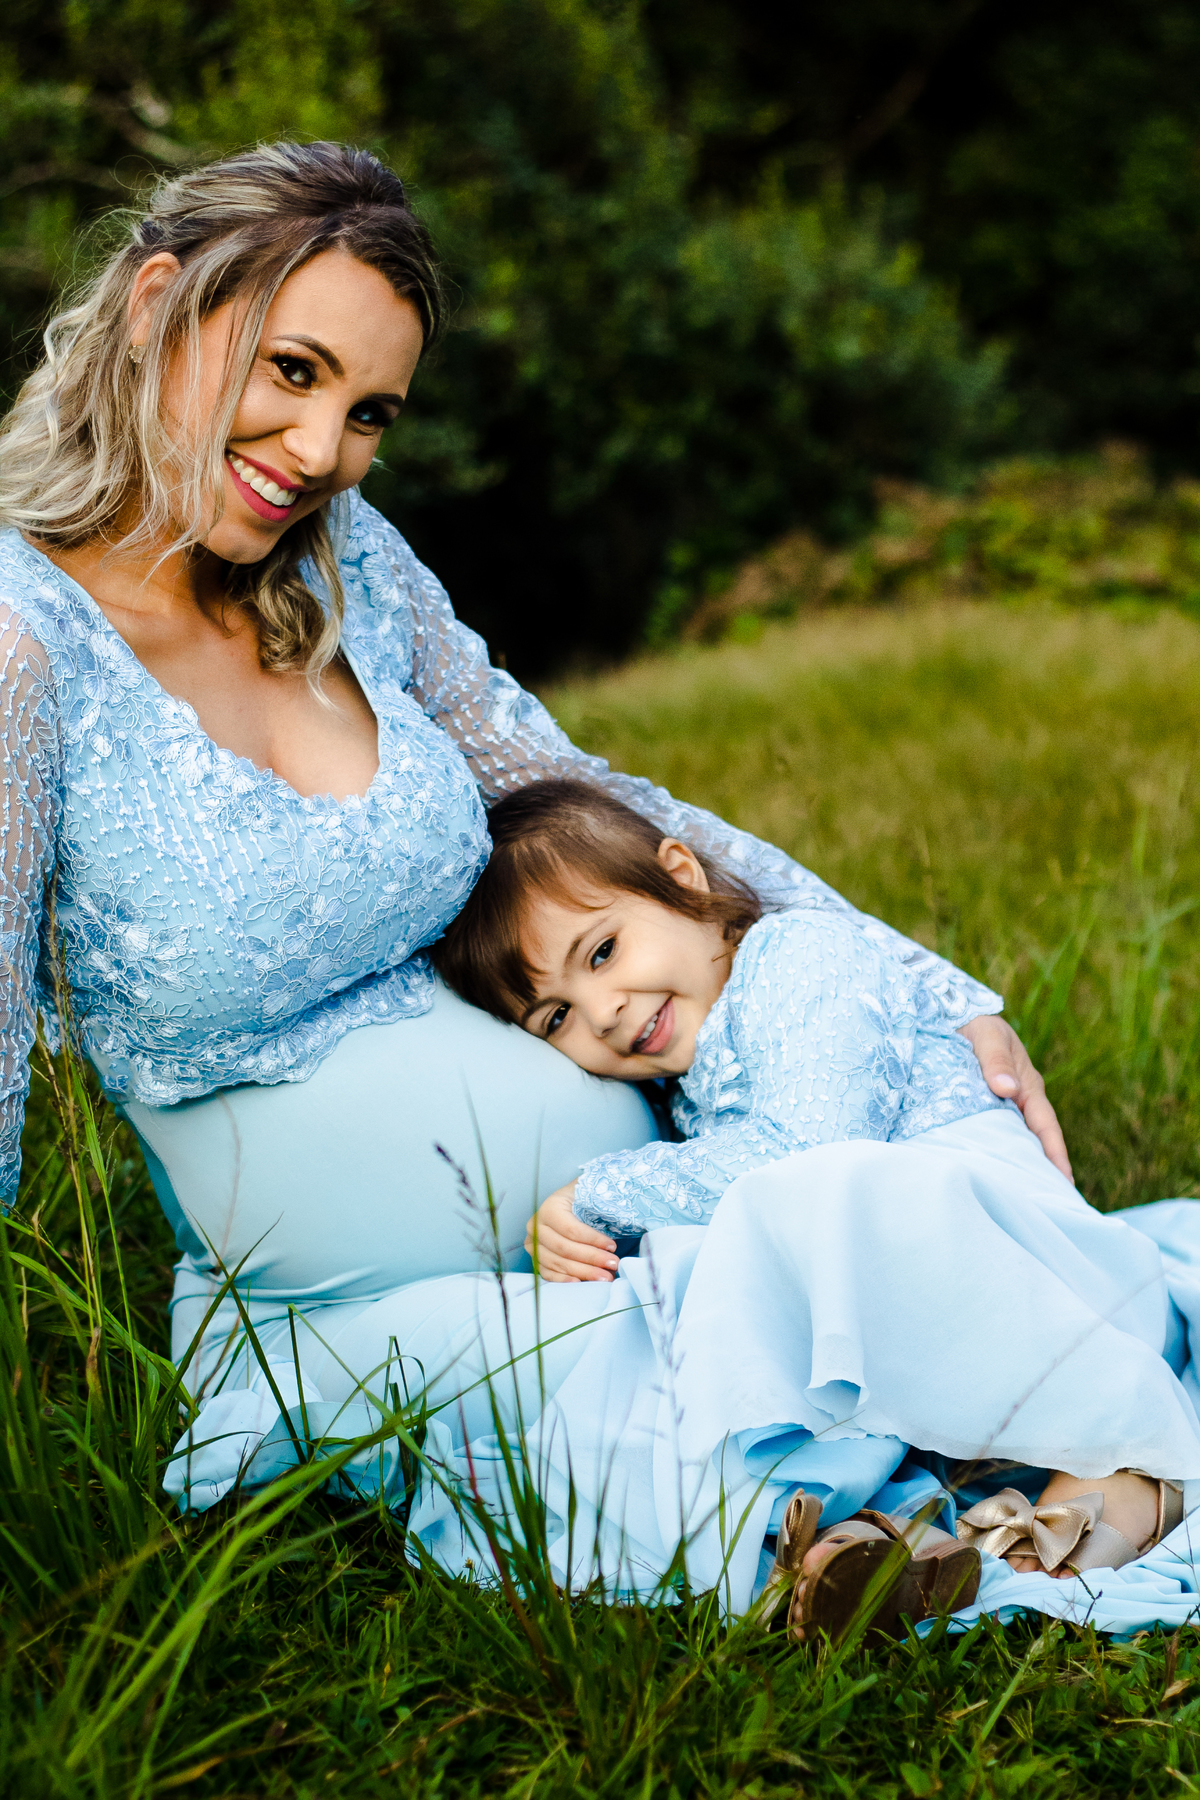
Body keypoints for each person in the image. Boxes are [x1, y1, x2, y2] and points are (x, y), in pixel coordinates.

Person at [0, 139, 1159, 1635]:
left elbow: (587, 795)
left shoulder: (348, 563)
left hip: (653, 1198)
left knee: (839, 1285)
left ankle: (991, 1494)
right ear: (160, 303)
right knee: (652, 1405)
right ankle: (920, 1520)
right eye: (291, 371)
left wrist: (915, 978)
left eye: (369, 414)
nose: (320, 448)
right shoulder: (21, 646)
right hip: (366, 1298)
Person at [433, 777, 1199, 1626]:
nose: (603, 1013)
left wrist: (599, 1193)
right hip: (930, 1339)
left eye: (604, 951)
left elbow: (811, 1148)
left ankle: (1070, 1525)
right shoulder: (682, 1092)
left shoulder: (801, 953)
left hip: (1033, 1278)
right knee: (713, 1296)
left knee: (799, 1210)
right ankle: (898, 1544)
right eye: (556, 1018)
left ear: (682, 877)